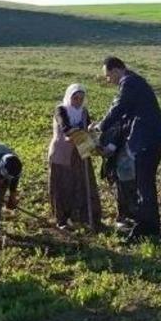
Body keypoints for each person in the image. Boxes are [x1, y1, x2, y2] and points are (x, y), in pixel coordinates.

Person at [97, 56, 161, 242]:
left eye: (108, 75)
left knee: (143, 184)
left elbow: (119, 107)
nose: (108, 80)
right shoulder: (136, 81)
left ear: (116, 70)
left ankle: (145, 229)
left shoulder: (128, 83)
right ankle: (150, 226)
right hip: (154, 137)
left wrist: (101, 126)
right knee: (145, 184)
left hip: (147, 139)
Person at [48, 84, 102, 230]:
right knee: (63, 186)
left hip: (80, 152)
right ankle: (62, 220)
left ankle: (82, 217)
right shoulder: (61, 110)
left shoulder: (83, 112)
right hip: (62, 153)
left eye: (81, 98)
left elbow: (89, 127)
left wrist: (91, 131)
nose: (78, 101)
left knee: (82, 183)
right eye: (75, 98)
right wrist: (81, 132)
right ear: (69, 97)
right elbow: (65, 129)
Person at [99, 118, 138, 230]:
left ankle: (131, 217)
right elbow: (109, 149)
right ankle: (123, 218)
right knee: (124, 192)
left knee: (129, 192)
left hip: (130, 164)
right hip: (123, 165)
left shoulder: (130, 122)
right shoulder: (117, 126)